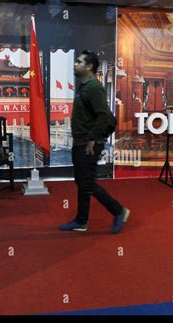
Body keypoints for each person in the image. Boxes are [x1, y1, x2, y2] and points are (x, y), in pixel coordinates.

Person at [59, 50, 129, 233]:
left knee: (87, 183)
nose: (75, 64)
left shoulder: (94, 87)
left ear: (89, 66)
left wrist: (92, 139)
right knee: (83, 181)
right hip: (81, 142)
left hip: (89, 144)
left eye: (79, 62)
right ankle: (81, 221)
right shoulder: (85, 86)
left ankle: (118, 210)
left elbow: (104, 116)